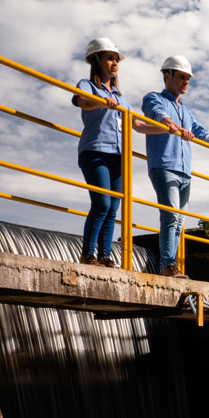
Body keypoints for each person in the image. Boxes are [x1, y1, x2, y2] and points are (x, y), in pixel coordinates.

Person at [142, 55, 209, 278]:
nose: (185, 82)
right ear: (167, 75)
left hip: (184, 172)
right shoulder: (154, 98)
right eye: (181, 77)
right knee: (170, 216)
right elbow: (159, 115)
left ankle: (173, 265)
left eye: (188, 78)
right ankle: (167, 266)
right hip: (164, 166)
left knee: (179, 221)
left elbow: (203, 133)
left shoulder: (187, 112)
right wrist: (172, 125)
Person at [72, 37, 161, 266]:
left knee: (113, 207)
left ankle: (105, 256)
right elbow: (81, 101)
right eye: (109, 58)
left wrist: (166, 129)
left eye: (116, 60)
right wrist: (103, 101)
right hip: (95, 151)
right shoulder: (88, 85)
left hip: (119, 156)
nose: (114, 63)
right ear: (96, 60)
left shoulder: (120, 97)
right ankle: (87, 254)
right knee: (101, 203)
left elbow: (138, 126)